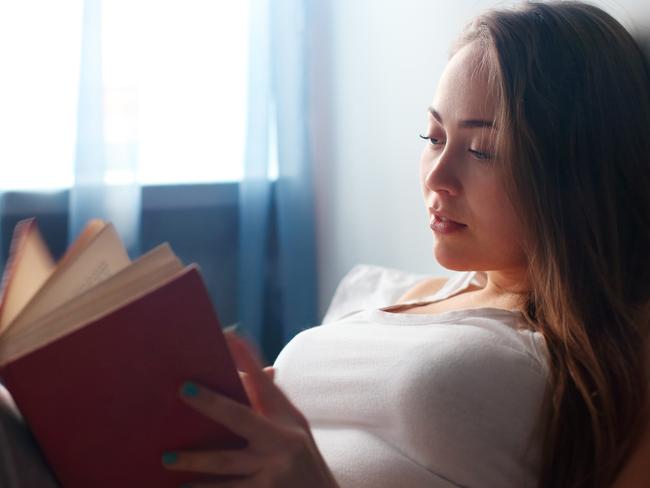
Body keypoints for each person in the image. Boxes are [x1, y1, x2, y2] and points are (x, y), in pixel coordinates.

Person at [160, 2, 650, 487]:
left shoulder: (612, 352)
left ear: (576, 171)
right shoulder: (405, 298)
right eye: (434, 137)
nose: (438, 176)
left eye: (482, 150)